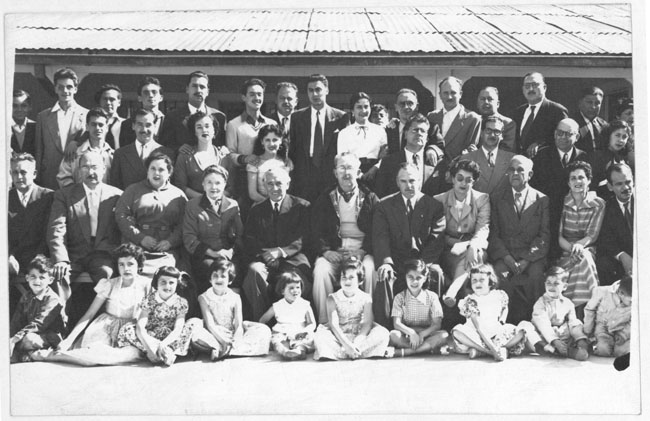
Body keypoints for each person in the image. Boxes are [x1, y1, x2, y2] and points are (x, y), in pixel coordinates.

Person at [37, 244, 150, 366]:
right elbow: (89, 314)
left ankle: (67, 356)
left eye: (130, 264)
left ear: (139, 265)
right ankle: (54, 356)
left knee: (131, 354)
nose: (126, 268)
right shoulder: (109, 284)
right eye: (121, 264)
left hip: (131, 331)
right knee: (95, 354)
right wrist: (69, 340)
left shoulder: (146, 285)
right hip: (106, 329)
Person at [47, 150, 123, 320]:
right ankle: (59, 327)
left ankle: (103, 326)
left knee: (107, 276)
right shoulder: (64, 195)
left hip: (102, 254)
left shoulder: (117, 195)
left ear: (104, 169)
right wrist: (60, 259)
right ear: (78, 171)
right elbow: (56, 229)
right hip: (73, 253)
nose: (91, 172)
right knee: (58, 276)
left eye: (95, 167)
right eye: (85, 167)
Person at [311, 153, 380, 323]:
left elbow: (378, 231)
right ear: (335, 173)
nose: (346, 172)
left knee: (370, 268)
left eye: (350, 168)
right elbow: (316, 229)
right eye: (342, 168)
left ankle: (369, 320)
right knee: (321, 269)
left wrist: (363, 251)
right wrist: (326, 252)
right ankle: (325, 321)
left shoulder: (370, 198)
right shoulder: (325, 198)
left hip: (362, 251)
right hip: (335, 251)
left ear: (359, 172)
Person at [373, 163, 445, 314]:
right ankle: (386, 325)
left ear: (419, 181)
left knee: (436, 272)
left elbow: (436, 239)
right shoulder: (384, 206)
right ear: (397, 182)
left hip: (423, 261)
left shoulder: (434, 206)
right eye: (403, 181)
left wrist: (423, 265)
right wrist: (386, 263)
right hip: (397, 261)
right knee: (384, 274)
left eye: (412, 181)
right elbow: (381, 237)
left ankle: (434, 321)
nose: (408, 186)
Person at [242, 167, 312, 321]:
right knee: (254, 271)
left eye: (279, 183)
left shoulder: (302, 206)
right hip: (265, 259)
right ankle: (261, 322)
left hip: (293, 259)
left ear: (288, 184)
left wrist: (281, 252)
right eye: (270, 184)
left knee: (293, 278)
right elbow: (250, 239)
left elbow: (304, 237)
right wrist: (266, 255)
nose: (274, 188)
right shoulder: (257, 210)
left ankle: (294, 323)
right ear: (265, 185)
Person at [488, 155, 550, 323]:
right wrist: (507, 258)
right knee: (499, 275)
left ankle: (537, 320)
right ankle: (502, 322)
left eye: (520, 170)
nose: (515, 173)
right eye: (511, 170)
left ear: (530, 175)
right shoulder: (497, 198)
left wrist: (527, 259)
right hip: (506, 255)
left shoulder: (541, 199)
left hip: (531, 256)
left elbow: (544, 235)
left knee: (536, 276)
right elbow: (494, 234)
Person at [115, 152, 188, 280]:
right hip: (137, 247)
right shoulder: (133, 190)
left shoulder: (178, 195)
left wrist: (171, 241)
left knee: (166, 275)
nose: (156, 173)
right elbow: (122, 216)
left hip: (166, 250)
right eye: (152, 169)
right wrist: (140, 237)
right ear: (147, 171)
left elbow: (185, 222)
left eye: (161, 169)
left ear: (169, 172)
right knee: (135, 272)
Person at [434, 159, 490, 307]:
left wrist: (471, 245)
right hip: (449, 249)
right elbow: (437, 233)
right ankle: (460, 298)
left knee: (477, 254)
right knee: (474, 262)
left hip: (473, 247)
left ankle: (452, 291)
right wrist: (456, 243)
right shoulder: (439, 200)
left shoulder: (481, 199)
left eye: (468, 180)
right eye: (459, 178)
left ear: (474, 182)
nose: (463, 183)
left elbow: (483, 228)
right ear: (452, 179)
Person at [191, 258, 272, 360]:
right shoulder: (204, 297)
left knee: (263, 329)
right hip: (214, 334)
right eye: (215, 276)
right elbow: (210, 325)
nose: (218, 279)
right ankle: (222, 348)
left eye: (223, 276)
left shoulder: (235, 297)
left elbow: (238, 324)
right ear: (210, 279)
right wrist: (223, 341)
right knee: (193, 326)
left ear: (230, 280)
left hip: (231, 333)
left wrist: (237, 339)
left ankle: (226, 350)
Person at [117, 266, 200, 366]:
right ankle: (156, 353)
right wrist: (148, 347)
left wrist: (163, 344)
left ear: (177, 284)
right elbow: (140, 326)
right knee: (128, 329)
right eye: (163, 282)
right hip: (151, 336)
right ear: (156, 283)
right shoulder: (150, 299)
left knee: (192, 325)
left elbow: (178, 328)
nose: (167, 286)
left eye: (171, 283)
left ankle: (167, 351)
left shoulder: (181, 302)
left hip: (171, 338)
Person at [530, 118, 587, 258]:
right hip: (548, 214)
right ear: (555, 134)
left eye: (568, 134)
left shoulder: (584, 157)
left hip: (573, 216)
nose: (563, 137)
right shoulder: (541, 156)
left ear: (577, 137)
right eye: (560, 133)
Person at [313, 257, 392, 360]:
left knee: (383, 333)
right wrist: (347, 345)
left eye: (351, 277)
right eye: (344, 277)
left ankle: (354, 351)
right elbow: (334, 325)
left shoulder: (366, 298)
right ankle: (355, 353)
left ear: (360, 280)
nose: (347, 281)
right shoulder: (332, 299)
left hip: (359, 336)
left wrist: (356, 344)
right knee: (320, 335)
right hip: (339, 338)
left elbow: (367, 324)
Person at [182, 165, 243, 293]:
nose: (213, 187)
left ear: (224, 184)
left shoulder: (233, 205)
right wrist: (213, 253)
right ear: (203, 184)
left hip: (227, 254)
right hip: (204, 255)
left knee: (236, 270)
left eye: (218, 183)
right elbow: (189, 237)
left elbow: (240, 235)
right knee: (212, 270)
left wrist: (230, 252)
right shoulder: (192, 205)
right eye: (209, 182)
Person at [288, 73, 347, 202]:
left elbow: (345, 150)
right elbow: (292, 149)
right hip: (304, 174)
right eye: (310, 90)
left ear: (326, 90)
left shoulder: (341, 117)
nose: (314, 94)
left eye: (318, 89)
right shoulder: (297, 117)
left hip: (330, 174)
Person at [450, 264, 526, 361]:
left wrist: (502, 321)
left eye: (482, 280)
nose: (477, 283)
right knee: (457, 331)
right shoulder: (470, 301)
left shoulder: (499, 295)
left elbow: (504, 307)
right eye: (474, 280)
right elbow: (479, 328)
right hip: (476, 334)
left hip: (495, 331)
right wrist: (494, 351)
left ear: (490, 282)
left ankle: (482, 351)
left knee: (520, 332)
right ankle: (490, 351)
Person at [558, 161, 605, 315]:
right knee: (581, 259)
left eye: (581, 177)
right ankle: (595, 306)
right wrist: (573, 249)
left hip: (587, 247)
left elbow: (592, 234)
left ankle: (574, 312)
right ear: (568, 183)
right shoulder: (561, 203)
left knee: (584, 257)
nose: (577, 181)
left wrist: (579, 246)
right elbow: (558, 236)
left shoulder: (598, 204)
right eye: (573, 178)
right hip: (564, 250)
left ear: (589, 180)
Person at [35, 67, 89, 190]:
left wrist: (76, 142)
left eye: (69, 87)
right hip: (49, 176)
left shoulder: (87, 115)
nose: (65, 91)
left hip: (76, 175)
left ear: (75, 89)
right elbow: (39, 150)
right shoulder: (43, 116)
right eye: (60, 87)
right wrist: (38, 178)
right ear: (55, 89)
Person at [374, 113, 447, 199]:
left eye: (423, 131)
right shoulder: (389, 162)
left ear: (427, 138)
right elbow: (380, 194)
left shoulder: (437, 164)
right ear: (405, 134)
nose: (419, 133)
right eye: (415, 130)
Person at [525, 266, 590, 361]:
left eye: (556, 283)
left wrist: (580, 338)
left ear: (564, 286)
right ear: (544, 284)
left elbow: (573, 323)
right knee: (525, 325)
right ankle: (551, 349)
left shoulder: (568, 303)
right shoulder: (541, 302)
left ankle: (577, 347)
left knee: (576, 322)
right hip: (544, 337)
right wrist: (554, 341)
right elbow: (542, 323)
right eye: (548, 283)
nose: (551, 287)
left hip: (562, 336)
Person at [9, 255, 65, 363]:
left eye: (42, 277)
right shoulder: (26, 296)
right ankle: (26, 353)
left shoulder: (53, 299)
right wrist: (10, 338)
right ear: (27, 278)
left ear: (50, 280)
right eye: (33, 276)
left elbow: (39, 323)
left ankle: (26, 353)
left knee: (28, 340)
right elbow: (16, 320)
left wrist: (16, 338)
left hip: (50, 337)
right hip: (29, 333)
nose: (37, 281)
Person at [388, 259, 449, 357]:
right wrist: (412, 333)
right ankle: (427, 349)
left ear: (424, 278)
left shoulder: (432, 297)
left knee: (443, 335)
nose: (414, 281)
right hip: (408, 335)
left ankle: (406, 352)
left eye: (418, 278)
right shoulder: (399, 298)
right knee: (393, 335)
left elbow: (437, 324)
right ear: (405, 277)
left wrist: (422, 335)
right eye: (410, 277)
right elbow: (397, 323)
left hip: (427, 334)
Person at [8, 153, 54, 279]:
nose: (19, 177)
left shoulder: (48, 197)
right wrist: (8, 256)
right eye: (15, 172)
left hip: (41, 258)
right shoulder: (5, 198)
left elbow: (50, 233)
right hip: (13, 260)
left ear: (34, 174)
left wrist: (39, 258)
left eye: (23, 172)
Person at [160, 70, 227, 150]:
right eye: (194, 86)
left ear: (207, 92)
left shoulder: (219, 117)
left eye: (202, 87)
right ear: (187, 89)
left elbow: (222, 144)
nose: (198, 90)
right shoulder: (173, 117)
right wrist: (178, 149)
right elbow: (165, 145)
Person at [110, 108, 174, 190]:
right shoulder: (120, 154)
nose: (144, 130)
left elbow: (170, 186)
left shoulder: (167, 153)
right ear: (133, 126)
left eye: (148, 125)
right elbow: (115, 187)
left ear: (155, 127)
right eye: (140, 125)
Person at [259, 271, 316, 360]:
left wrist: (305, 331)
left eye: (298, 287)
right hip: (282, 333)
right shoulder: (277, 306)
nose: (295, 290)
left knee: (308, 340)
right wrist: (266, 332)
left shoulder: (305, 304)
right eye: (291, 288)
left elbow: (312, 323)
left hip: (299, 333)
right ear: (282, 291)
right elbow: (263, 320)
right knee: (277, 341)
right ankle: (285, 352)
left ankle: (300, 351)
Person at [172, 111, 229, 200]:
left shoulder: (224, 156)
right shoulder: (185, 156)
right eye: (199, 127)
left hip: (220, 203)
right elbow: (181, 186)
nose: (204, 130)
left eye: (207, 126)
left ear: (214, 130)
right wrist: (204, 199)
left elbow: (231, 187)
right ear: (194, 132)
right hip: (193, 204)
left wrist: (216, 199)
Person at [511, 72, 568, 157]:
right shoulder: (518, 112)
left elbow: (565, 139)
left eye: (534, 85)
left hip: (545, 161)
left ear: (544, 87)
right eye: (527, 86)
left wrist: (539, 143)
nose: (530, 89)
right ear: (523, 89)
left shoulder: (557, 111)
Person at [57, 107, 114, 188]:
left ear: (107, 128)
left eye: (101, 125)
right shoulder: (75, 153)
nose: (97, 128)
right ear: (87, 127)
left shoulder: (112, 155)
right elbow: (63, 178)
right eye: (93, 124)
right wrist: (76, 192)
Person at [596, 163, 634, 286]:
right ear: (610, 187)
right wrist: (621, 255)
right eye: (619, 184)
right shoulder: (607, 208)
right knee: (603, 263)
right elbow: (606, 240)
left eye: (628, 182)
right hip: (623, 258)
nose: (626, 187)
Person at [427, 76, 481, 160]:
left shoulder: (472, 119)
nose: (449, 97)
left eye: (453, 93)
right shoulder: (432, 117)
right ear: (440, 95)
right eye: (445, 93)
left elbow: (471, 150)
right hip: (434, 166)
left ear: (460, 94)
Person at [461, 115, 515, 195]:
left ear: (502, 136)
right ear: (481, 133)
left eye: (496, 132)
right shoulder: (466, 158)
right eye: (488, 130)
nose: (492, 135)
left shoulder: (512, 159)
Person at [336, 92, 388, 174]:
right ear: (352, 110)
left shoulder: (380, 131)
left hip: (376, 171)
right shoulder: (344, 133)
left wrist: (375, 169)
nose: (363, 110)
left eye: (366, 107)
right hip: (352, 172)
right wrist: (357, 173)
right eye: (359, 107)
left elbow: (385, 155)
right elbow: (343, 158)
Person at [583, 275, 632, 357]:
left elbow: (634, 321)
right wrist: (587, 331)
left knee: (620, 352)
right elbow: (590, 309)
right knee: (603, 350)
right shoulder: (601, 292)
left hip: (623, 329)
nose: (633, 304)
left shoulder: (639, 297)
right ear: (620, 293)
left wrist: (624, 335)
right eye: (631, 301)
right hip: (603, 329)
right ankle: (596, 344)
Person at [246, 124, 293, 204]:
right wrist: (271, 205)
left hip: (283, 205)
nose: (271, 144)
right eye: (267, 140)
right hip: (261, 204)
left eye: (275, 140)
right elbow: (253, 194)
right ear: (262, 142)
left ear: (280, 141)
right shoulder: (254, 163)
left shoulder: (285, 162)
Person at [588, 120, 633, 198]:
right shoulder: (597, 157)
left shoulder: (622, 158)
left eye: (624, 137)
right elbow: (591, 186)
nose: (621, 140)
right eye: (617, 135)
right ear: (608, 136)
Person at [119, 76, 165, 147]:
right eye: (146, 92)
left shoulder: (170, 122)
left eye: (154, 92)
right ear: (139, 98)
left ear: (161, 98)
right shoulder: (127, 124)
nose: (150, 95)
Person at [475, 86, 516, 152]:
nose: (486, 102)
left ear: (497, 104)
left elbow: (506, 150)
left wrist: (477, 154)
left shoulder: (508, 124)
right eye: (482, 99)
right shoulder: (474, 121)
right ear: (477, 104)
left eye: (490, 99)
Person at [573, 86, 608, 154]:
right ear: (580, 103)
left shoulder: (605, 125)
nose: (593, 107)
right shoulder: (572, 123)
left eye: (597, 103)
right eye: (589, 102)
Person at [94, 84, 124, 150]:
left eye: (112, 99)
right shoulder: (93, 123)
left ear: (119, 102)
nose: (108, 103)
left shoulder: (126, 123)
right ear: (100, 101)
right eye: (105, 99)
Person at [11, 89, 36, 156]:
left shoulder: (37, 127)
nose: (19, 109)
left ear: (30, 107)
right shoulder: (3, 127)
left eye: (24, 106)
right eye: (14, 106)